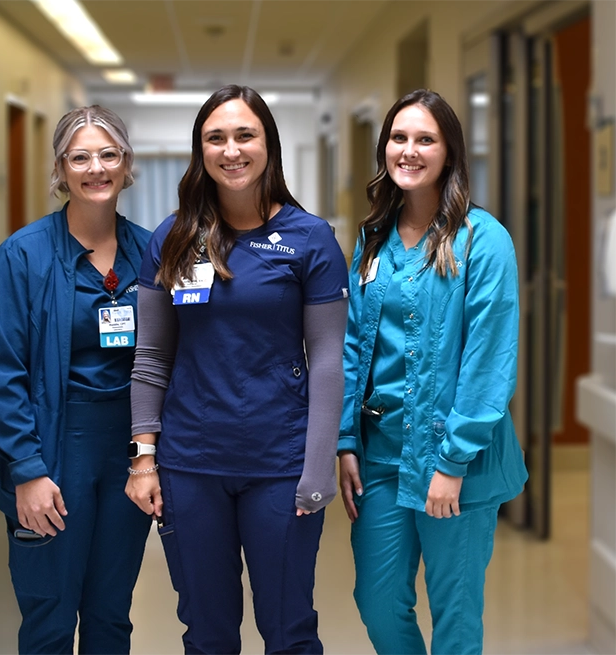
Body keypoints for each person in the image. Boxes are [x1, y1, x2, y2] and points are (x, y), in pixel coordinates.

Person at [126, 84, 349, 655]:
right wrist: (145, 458)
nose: (231, 150)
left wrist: (318, 466)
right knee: (207, 634)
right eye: (215, 138)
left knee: (290, 631)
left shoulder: (309, 238)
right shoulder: (173, 239)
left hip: (280, 464)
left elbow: (326, 358)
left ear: (268, 144)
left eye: (245, 135)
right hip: (191, 466)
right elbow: (152, 356)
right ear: (200, 150)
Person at [337, 88, 529, 655]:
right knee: (376, 603)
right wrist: (346, 439)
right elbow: (354, 345)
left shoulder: (483, 240)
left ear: (450, 152)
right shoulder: (373, 238)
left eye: (426, 139)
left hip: (456, 465)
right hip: (381, 458)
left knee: (455, 617)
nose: (410, 150)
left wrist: (451, 461)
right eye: (399, 138)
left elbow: (489, 362)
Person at [0, 105, 152, 655]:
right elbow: (1, 372)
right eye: (80, 156)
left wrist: (152, 457)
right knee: (49, 620)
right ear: (61, 169)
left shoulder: (151, 253)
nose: (96, 167)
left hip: (126, 455)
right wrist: (27, 470)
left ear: (126, 165)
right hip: (52, 452)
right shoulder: (21, 257)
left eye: (108, 154)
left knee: (110, 616)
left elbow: (171, 359)